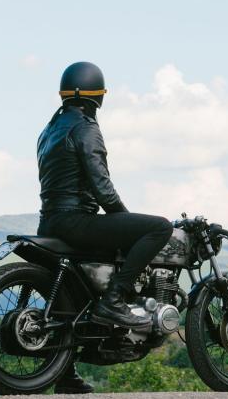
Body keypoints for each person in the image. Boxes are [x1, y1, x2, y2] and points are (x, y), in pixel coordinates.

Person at [36, 61, 174, 393]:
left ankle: (64, 376)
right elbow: (102, 187)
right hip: (76, 221)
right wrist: (124, 222)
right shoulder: (85, 128)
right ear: (99, 96)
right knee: (159, 227)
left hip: (48, 222)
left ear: (64, 93)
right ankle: (114, 300)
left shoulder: (48, 130)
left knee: (69, 297)